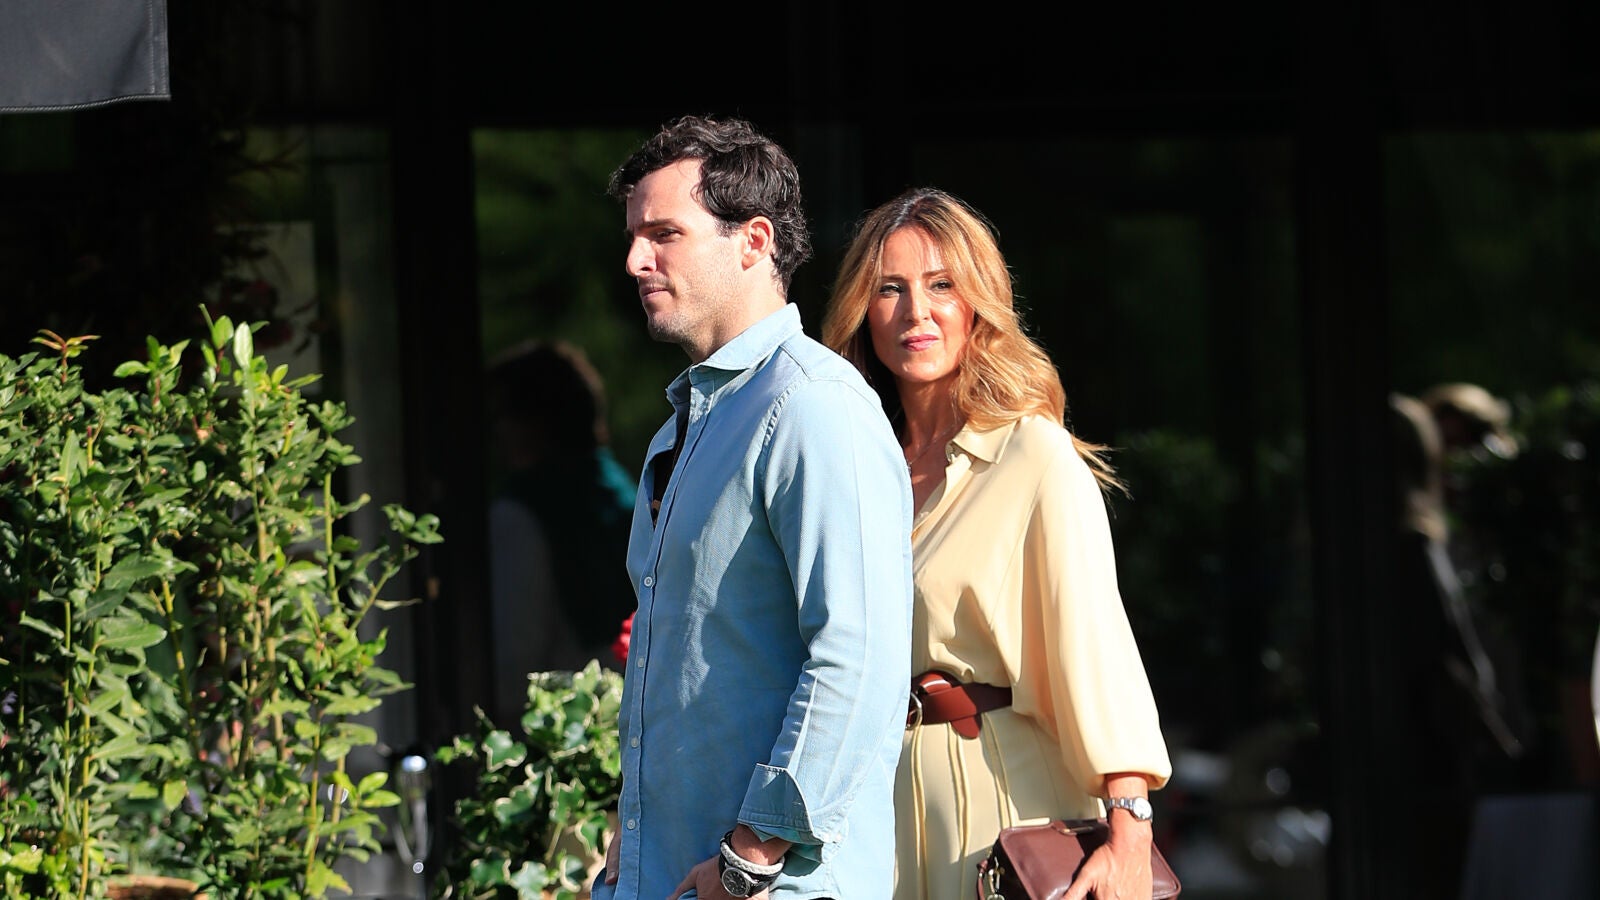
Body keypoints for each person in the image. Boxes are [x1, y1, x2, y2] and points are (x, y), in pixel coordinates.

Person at [592, 115, 914, 900]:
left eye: (664, 234)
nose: (636, 260)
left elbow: (859, 661)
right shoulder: (687, 424)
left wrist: (750, 857)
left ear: (754, 240)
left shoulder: (814, 406)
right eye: (634, 236)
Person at [819, 187, 1172, 900]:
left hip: (1005, 806)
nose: (917, 312)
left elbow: (1094, 645)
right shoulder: (848, 467)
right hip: (873, 806)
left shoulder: (1033, 455)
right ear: (862, 309)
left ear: (978, 303)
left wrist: (1130, 830)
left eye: (941, 285)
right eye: (890, 288)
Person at [484, 338, 635, 724]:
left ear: (531, 423)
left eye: (500, 417)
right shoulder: (629, 496)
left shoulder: (519, 516)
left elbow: (514, 669)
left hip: (564, 728)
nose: (494, 434)